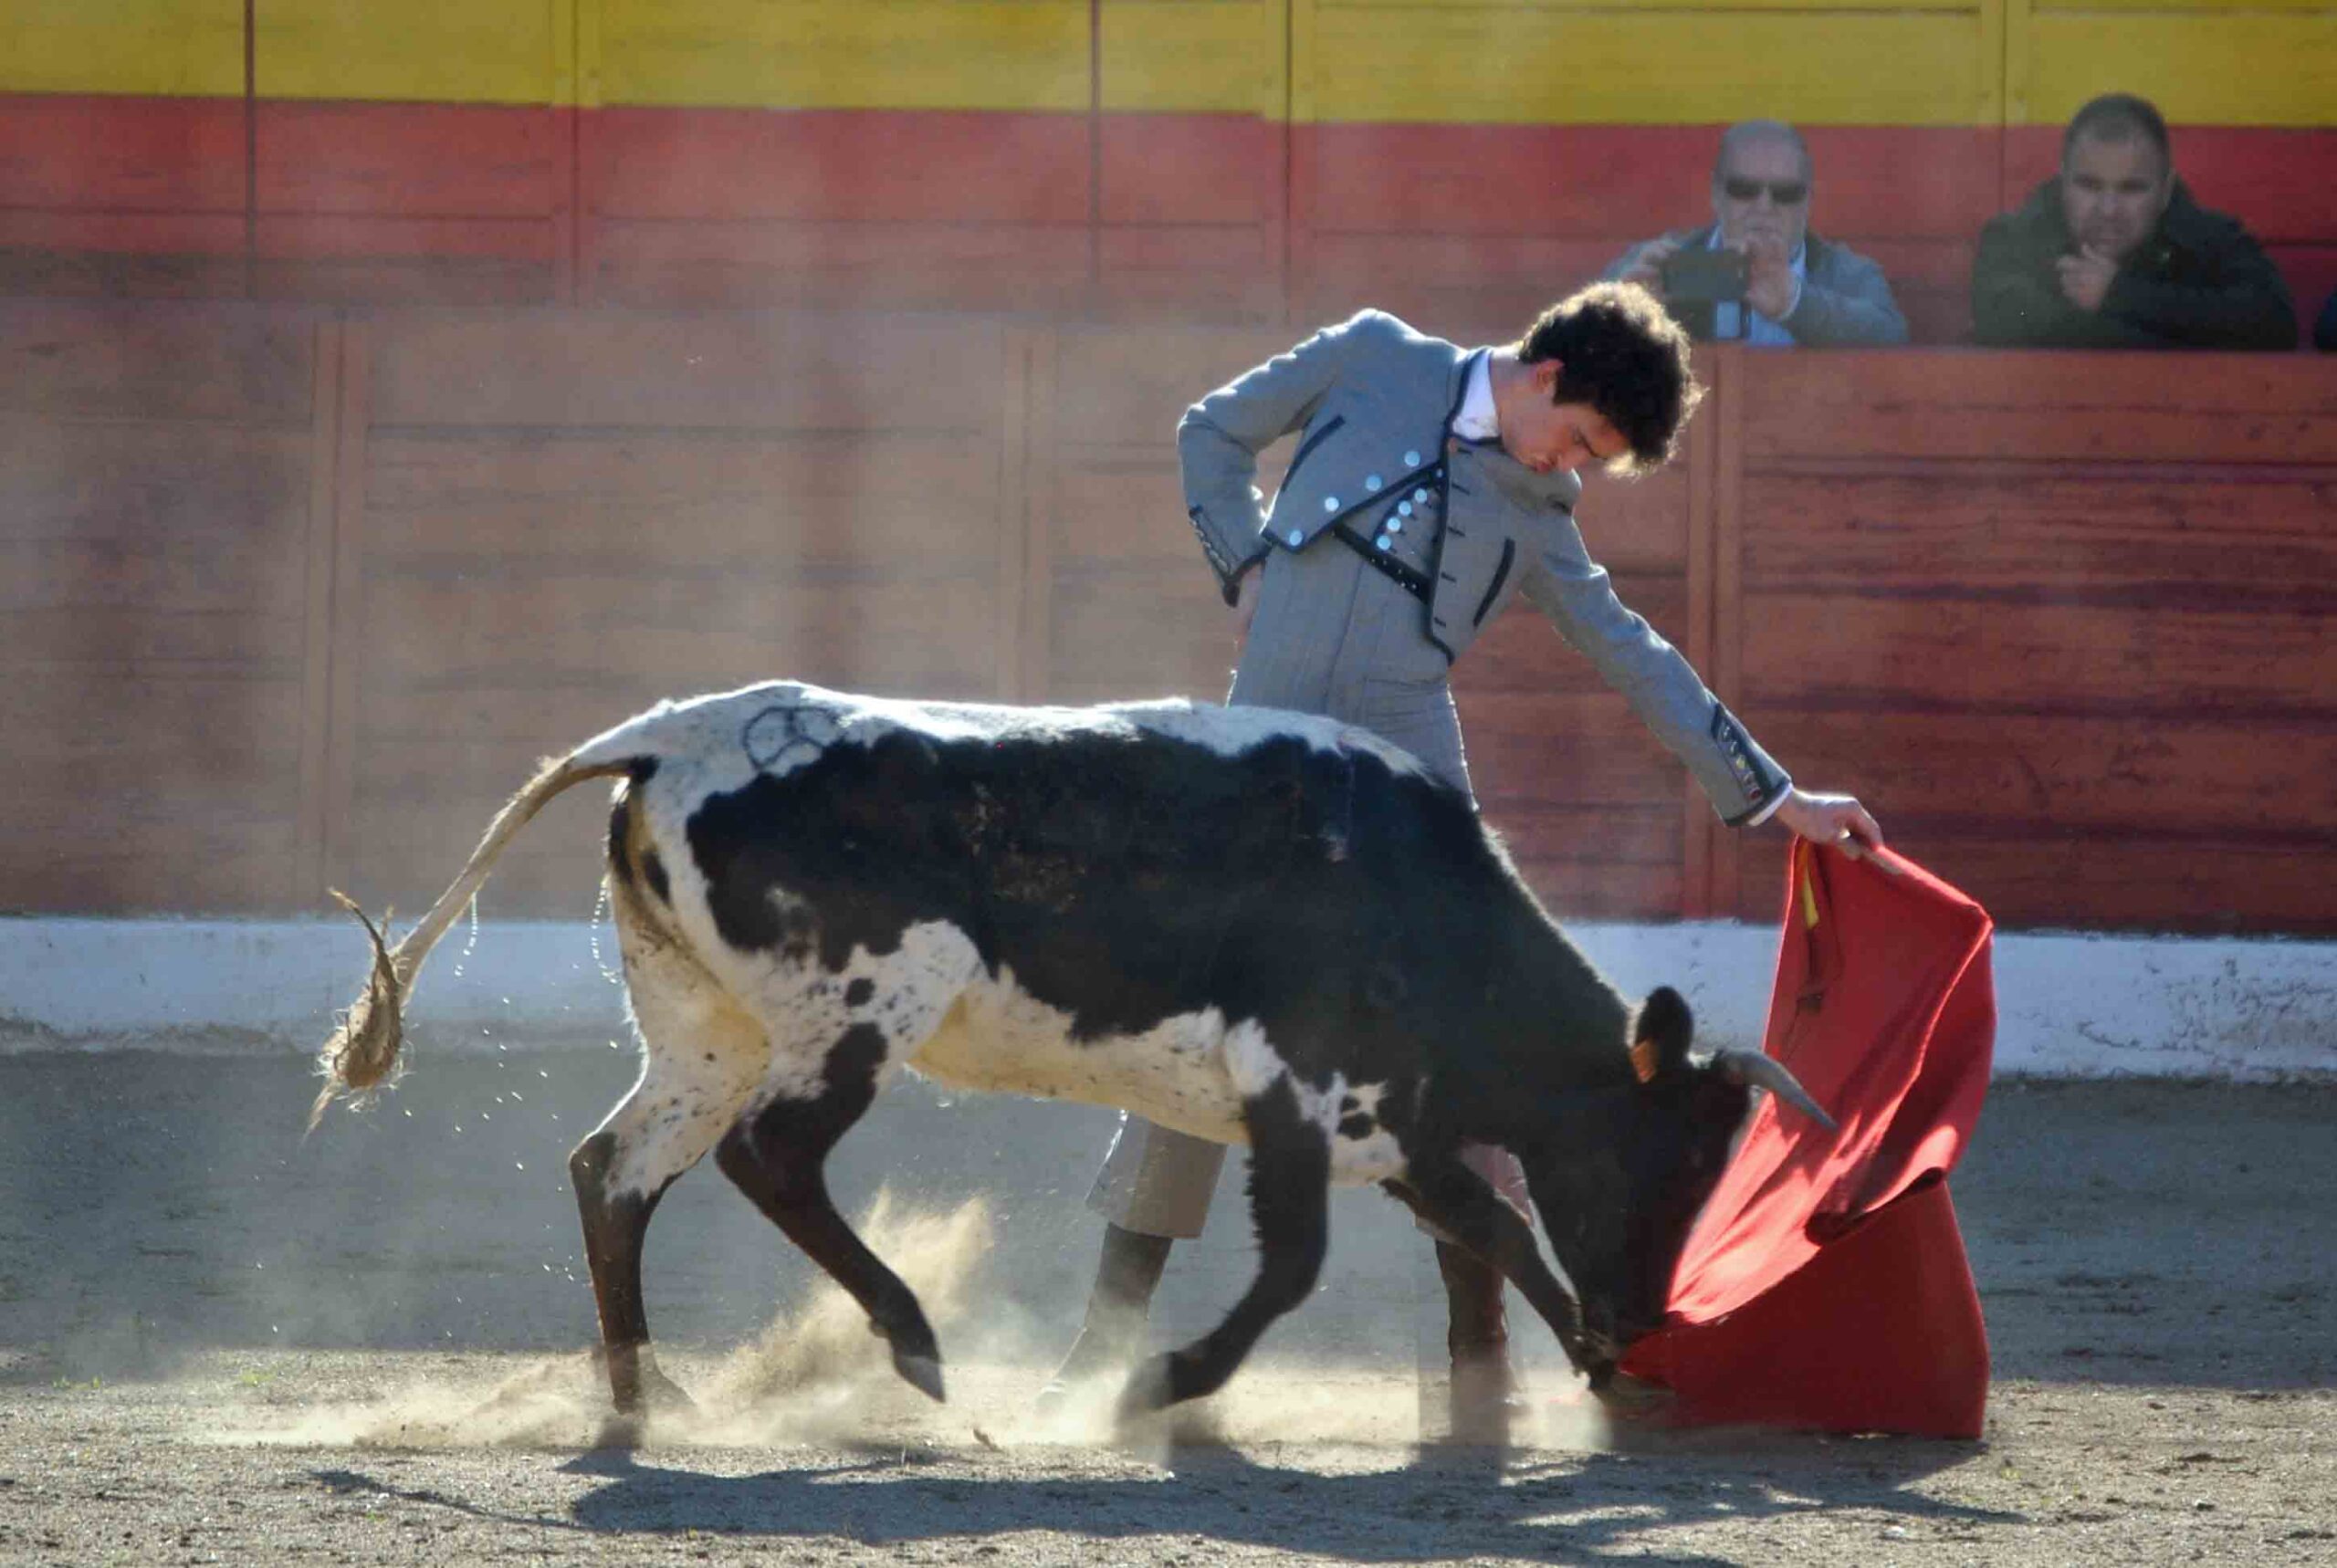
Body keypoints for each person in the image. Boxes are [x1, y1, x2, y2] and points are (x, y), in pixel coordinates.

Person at [1047, 282, 1885, 1439]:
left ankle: (1476, 1360)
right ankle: (1101, 1344)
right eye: (1579, 438)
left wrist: (1778, 795)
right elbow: (1211, 431)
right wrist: (1242, 560)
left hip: (1407, 765)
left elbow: (1631, 651)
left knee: (1475, 1036)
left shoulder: (1536, 507)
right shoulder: (1371, 355)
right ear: (1546, 376)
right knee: (1202, 1023)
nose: (1571, 465)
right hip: (1264, 749)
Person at [1972, 93, 2295, 350]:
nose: (2108, 210)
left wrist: (2119, 294)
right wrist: (2176, 333)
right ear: (2062, 183)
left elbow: (2274, 322)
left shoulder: (2208, 239)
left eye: (2131, 189)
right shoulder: (2013, 238)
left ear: (2165, 192)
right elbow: (2003, 321)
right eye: (2089, 185)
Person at [1602, 120, 1906, 346]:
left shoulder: (1849, 274)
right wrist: (1623, 310)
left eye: (1785, 193)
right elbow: (1582, 331)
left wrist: (1795, 303)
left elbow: (1892, 337)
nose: (1764, 206)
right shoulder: (1661, 263)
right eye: (1744, 189)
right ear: (1716, 194)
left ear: (1808, 201)